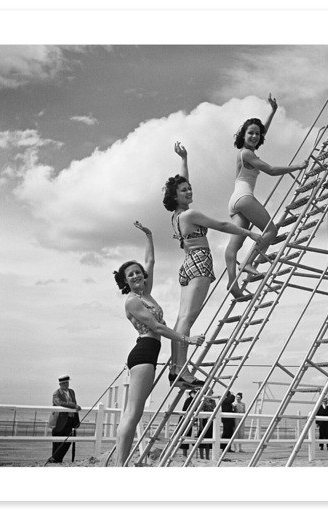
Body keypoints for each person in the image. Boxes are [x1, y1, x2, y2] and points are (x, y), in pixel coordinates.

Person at [163, 142, 263, 386]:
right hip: (199, 263)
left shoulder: (176, 215)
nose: (188, 191)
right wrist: (249, 234)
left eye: (189, 189)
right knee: (187, 320)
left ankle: (176, 368)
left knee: (180, 319)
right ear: (175, 197)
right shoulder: (190, 214)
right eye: (184, 191)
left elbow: (180, 182)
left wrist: (184, 159)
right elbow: (223, 226)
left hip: (187, 265)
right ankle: (182, 371)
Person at [112, 221, 205, 466]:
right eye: (130, 274)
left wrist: (149, 236)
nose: (136, 275)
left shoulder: (146, 293)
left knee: (135, 413)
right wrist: (187, 339)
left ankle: (121, 463)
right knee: (132, 414)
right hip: (143, 352)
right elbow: (158, 328)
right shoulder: (133, 301)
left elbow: (150, 262)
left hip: (149, 353)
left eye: (137, 272)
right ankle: (120, 465)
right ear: (126, 281)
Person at [225, 94, 309, 298]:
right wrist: (297, 166)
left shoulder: (248, 151)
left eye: (256, 134)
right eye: (250, 133)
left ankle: (232, 285)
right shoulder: (247, 153)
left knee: (234, 245)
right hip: (244, 197)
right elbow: (270, 170)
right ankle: (249, 263)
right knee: (271, 230)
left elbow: (262, 131)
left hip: (235, 200)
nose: (254, 136)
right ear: (243, 135)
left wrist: (272, 111)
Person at [47, 375, 81, 464]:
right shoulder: (56, 393)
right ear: (60, 384)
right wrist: (73, 405)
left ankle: (55, 458)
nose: (66, 384)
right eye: (64, 383)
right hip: (59, 421)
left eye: (67, 382)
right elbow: (59, 403)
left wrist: (76, 419)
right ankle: (56, 460)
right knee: (57, 442)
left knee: (68, 441)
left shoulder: (72, 392)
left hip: (70, 420)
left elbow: (75, 404)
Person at [198, 389, 216, 460]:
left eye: (211, 393)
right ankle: (201, 456)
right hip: (203, 420)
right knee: (202, 438)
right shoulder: (202, 401)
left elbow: (215, 409)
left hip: (210, 420)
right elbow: (200, 410)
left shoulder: (213, 401)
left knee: (209, 438)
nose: (209, 394)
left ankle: (207, 456)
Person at [180, 389, 197, 457]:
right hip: (186, 420)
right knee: (185, 436)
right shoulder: (189, 400)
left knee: (188, 435)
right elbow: (186, 409)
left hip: (190, 419)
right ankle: (184, 454)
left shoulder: (194, 400)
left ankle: (186, 453)